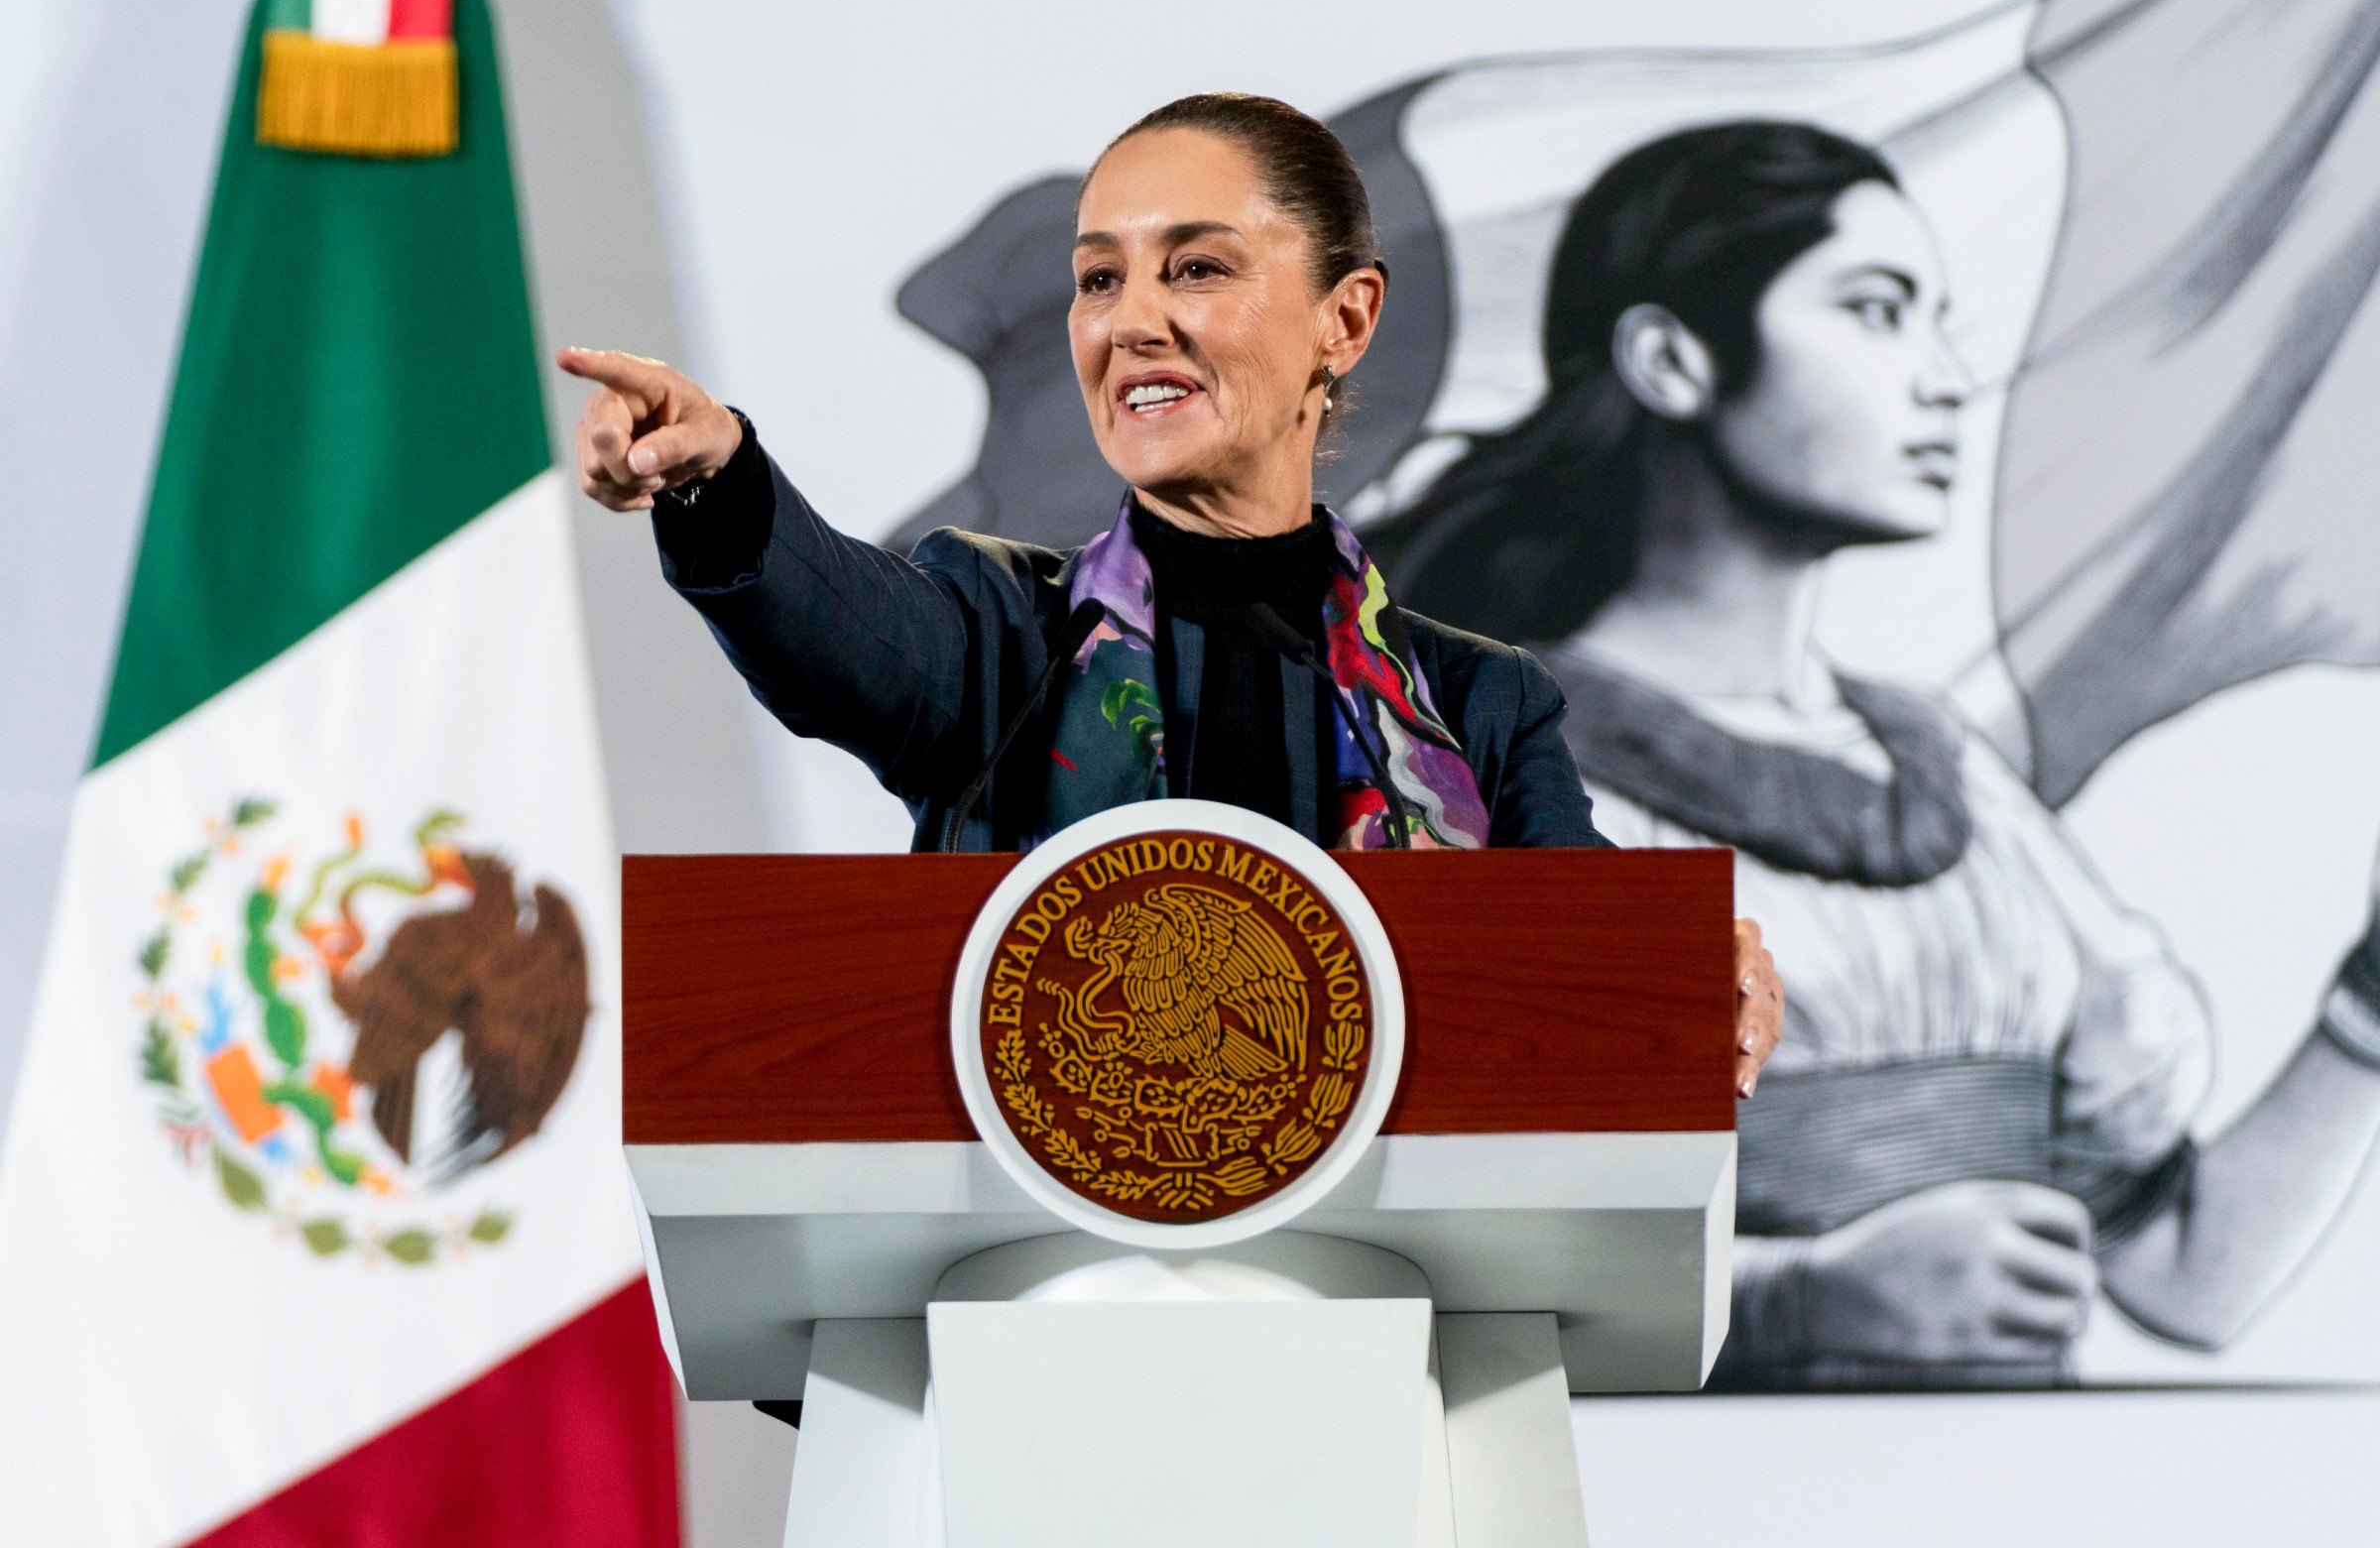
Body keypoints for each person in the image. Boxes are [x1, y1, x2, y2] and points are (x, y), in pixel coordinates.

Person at [1370, 120, 2380, 1387]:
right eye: (1877, 310)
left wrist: (2371, 999)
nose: (1947, 375)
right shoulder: (1495, 757)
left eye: (1938, 317)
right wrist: (1802, 1298)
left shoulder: (1942, 768)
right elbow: (1441, 1274)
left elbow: (2186, 1277)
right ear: (1672, 360)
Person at [557, 92, 1783, 1096]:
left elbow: (1594, 986)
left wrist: (1688, 974)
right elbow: (830, 624)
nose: (1129, 322)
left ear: (1345, 320)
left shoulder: (1487, 709)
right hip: (1038, 1342)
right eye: (1098, 281)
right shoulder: (996, 635)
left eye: (1194, 267)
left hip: (1382, 1352)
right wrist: (716, 477)